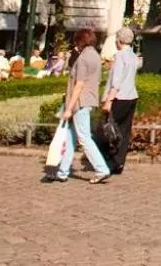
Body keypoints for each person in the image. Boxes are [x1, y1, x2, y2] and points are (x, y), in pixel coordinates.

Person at [44, 29, 110, 184]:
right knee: (71, 137)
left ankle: (101, 168)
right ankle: (62, 171)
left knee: (83, 137)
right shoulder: (95, 56)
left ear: (81, 41)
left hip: (80, 102)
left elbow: (79, 85)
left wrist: (68, 108)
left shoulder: (83, 59)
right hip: (89, 100)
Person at [100, 27, 139, 175]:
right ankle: (119, 162)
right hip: (131, 96)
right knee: (124, 130)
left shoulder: (120, 56)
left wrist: (109, 100)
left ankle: (109, 161)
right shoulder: (134, 56)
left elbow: (116, 81)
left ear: (119, 40)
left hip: (119, 97)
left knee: (109, 130)